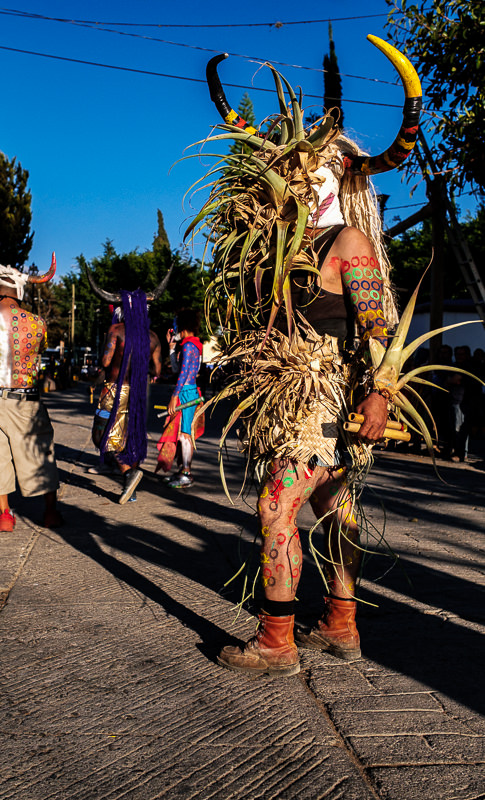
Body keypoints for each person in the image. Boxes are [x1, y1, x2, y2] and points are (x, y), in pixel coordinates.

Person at [192, 39, 423, 677]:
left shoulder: (349, 238)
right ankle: (341, 623)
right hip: (300, 388)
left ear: (341, 173)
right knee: (335, 504)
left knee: (277, 506)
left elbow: (377, 325)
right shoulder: (287, 245)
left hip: (322, 391)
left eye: (315, 166)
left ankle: (276, 642)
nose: (301, 174)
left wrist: (380, 392)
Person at [0, 235, 62, 532]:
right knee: (41, 454)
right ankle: (51, 513)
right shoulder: (38, 324)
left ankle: (5, 516)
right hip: (27, 401)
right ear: (20, 293)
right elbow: (38, 356)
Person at [85, 264, 171, 504]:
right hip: (139, 394)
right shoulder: (153, 337)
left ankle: (130, 473)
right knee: (130, 435)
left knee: (102, 436)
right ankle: (129, 487)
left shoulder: (116, 330)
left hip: (113, 390)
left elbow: (105, 360)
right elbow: (156, 370)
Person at [156, 309, 205, 488]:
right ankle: (184, 470)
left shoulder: (189, 346)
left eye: (175, 326)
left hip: (186, 393)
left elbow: (183, 374)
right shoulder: (192, 344)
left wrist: (174, 397)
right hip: (188, 391)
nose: (173, 330)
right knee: (182, 434)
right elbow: (178, 370)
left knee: (185, 435)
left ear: (182, 327)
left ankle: (186, 473)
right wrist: (171, 349)